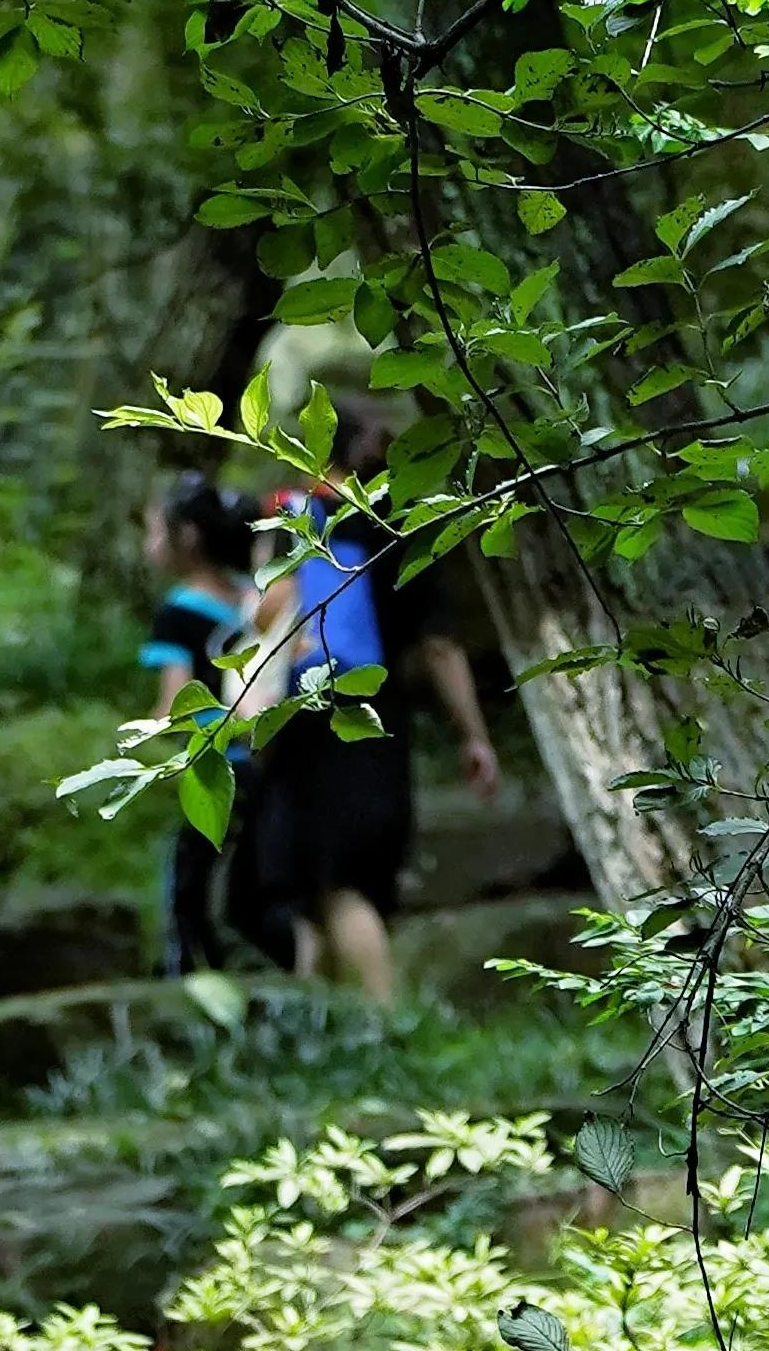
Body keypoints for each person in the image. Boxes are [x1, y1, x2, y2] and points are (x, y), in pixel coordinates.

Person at [223, 402, 502, 1003]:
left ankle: (377, 1028)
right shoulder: (404, 526)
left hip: (308, 723)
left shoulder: (294, 517)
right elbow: (440, 647)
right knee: (342, 889)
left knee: (328, 891)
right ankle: (341, 1037)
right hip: (378, 722)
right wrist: (473, 735)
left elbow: (268, 620)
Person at [133, 472, 258, 972]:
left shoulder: (177, 613)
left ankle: (190, 981)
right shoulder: (254, 595)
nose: (149, 544)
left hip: (214, 765)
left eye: (154, 531)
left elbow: (172, 708)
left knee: (187, 888)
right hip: (266, 756)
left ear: (186, 537)